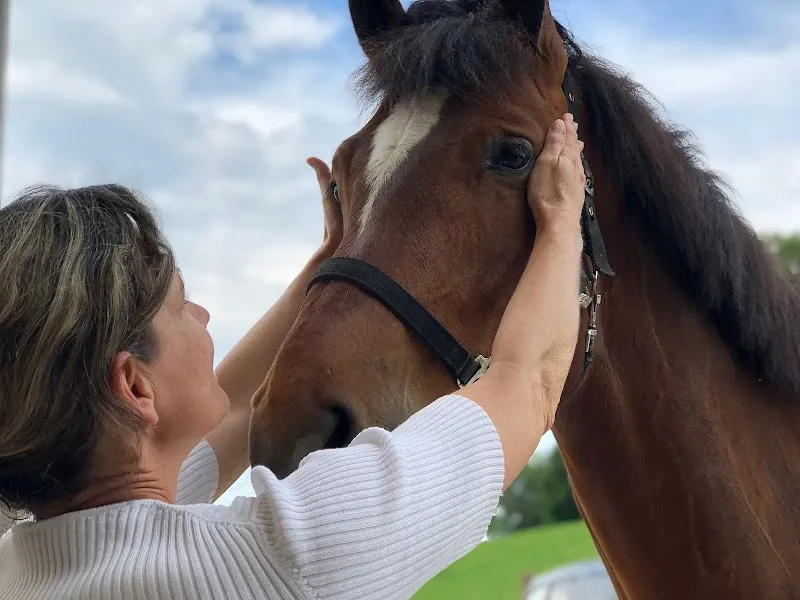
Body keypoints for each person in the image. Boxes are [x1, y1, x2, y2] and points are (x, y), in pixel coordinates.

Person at [0, 114, 586, 600]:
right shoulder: (279, 561)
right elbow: (525, 379)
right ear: (135, 387)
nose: (204, 317)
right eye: (180, 305)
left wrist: (331, 256)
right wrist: (562, 225)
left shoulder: (21, 571)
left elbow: (231, 415)